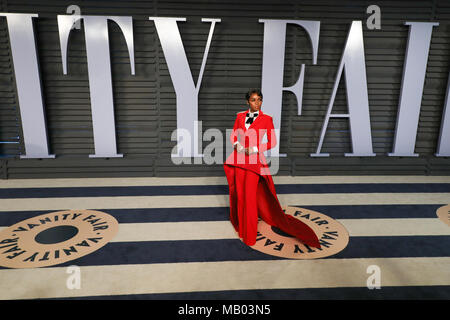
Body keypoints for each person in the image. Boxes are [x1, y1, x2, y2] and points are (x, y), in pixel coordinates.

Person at [223, 89, 321, 248]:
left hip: (254, 161)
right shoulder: (240, 116)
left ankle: (249, 236)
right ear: (248, 101)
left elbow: (272, 142)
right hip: (239, 159)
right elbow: (234, 134)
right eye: (253, 100)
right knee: (240, 195)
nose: (257, 103)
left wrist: (255, 149)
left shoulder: (267, 119)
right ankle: (242, 229)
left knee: (249, 197)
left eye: (259, 100)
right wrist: (237, 145)